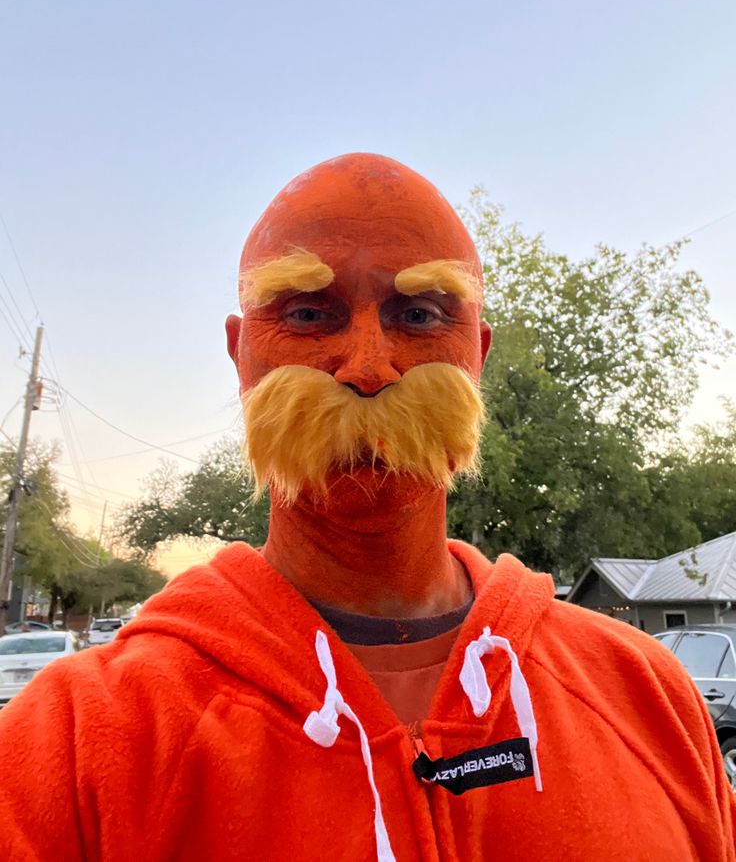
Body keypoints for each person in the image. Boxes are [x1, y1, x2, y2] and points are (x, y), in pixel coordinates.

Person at [0, 153, 733, 861]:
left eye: (417, 314)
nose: (368, 367)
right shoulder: (70, 743)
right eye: (310, 313)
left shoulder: (648, 698)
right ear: (240, 353)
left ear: (476, 353)